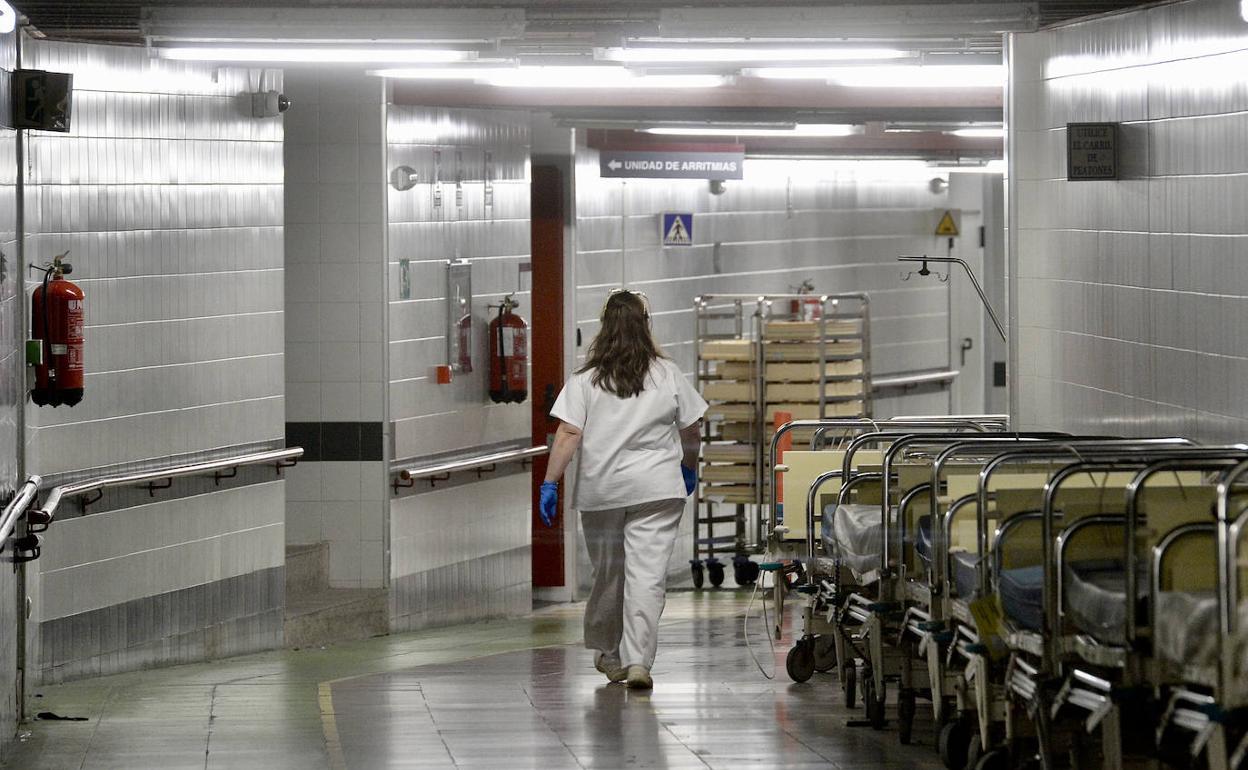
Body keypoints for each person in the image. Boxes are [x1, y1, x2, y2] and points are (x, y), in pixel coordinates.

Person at [539, 289, 707, 690]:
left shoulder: (585, 381)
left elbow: (567, 433)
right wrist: (687, 466)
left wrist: (550, 482)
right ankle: (639, 662)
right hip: (657, 488)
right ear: (645, 327)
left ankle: (610, 654)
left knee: (609, 575)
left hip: (604, 491)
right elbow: (692, 429)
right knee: (647, 578)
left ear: (604, 329)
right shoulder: (666, 374)